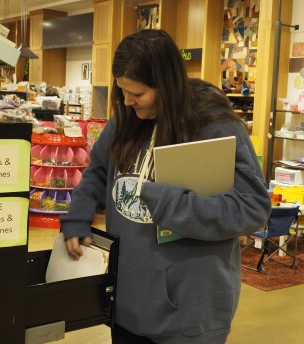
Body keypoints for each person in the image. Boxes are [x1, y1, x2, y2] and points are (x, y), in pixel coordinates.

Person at [59, 29, 271, 344]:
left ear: (166, 85)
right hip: (128, 303)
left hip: (188, 313)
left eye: (138, 93)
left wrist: (173, 204)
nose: (128, 102)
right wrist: (78, 215)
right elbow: (98, 169)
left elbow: (252, 209)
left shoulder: (214, 126)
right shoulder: (128, 118)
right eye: (123, 92)